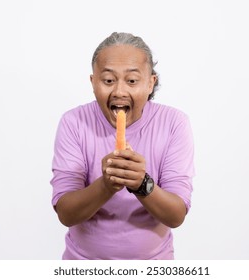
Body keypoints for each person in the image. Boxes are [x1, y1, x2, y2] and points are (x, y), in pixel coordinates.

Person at [50, 32, 195, 260]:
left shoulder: (174, 123)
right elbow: (66, 214)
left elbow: (176, 215)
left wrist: (141, 184)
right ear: (93, 82)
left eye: (132, 81)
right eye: (108, 80)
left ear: (150, 83)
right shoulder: (74, 122)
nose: (119, 91)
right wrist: (106, 186)